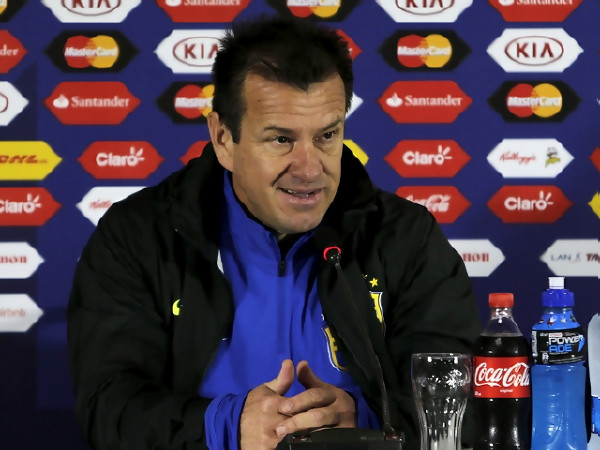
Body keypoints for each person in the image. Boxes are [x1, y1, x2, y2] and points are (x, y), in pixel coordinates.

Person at [67, 15, 481, 450]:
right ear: (224, 138)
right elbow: (109, 409)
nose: (309, 168)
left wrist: (366, 422)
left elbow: (464, 400)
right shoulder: (139, 236)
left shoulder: (405, 237)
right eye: (281, 140)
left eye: (327, 135)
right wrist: (228, 426)